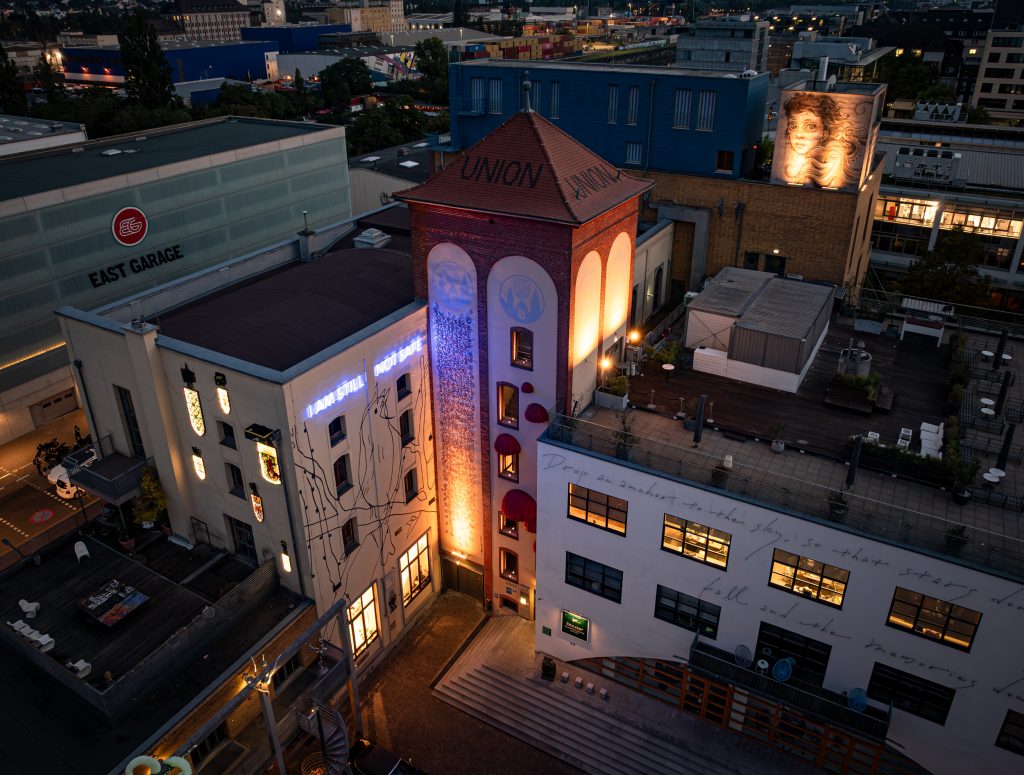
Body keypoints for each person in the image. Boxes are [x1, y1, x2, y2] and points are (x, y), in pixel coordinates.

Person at [779, 92, 861, 189]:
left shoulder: (830, 171)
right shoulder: (793, 168)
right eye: (793, 126)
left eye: (810, 126)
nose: (799, 135)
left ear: (824, 133)